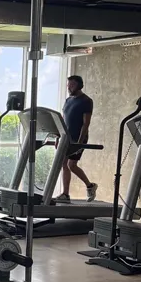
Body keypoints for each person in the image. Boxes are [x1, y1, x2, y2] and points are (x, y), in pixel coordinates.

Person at [56, 75, 97, 203]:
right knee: (64, 164)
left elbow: (86, 123)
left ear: (80, 85)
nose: (69, 88)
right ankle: (65, 194)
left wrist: (79, 143)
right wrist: (58, 137)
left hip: (78, 138)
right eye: (68, 85)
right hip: (66, 138)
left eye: (72, 85)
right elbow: (63, 120)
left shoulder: (86, 101)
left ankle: (90, 186)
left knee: (72, 165)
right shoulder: (68, 100)